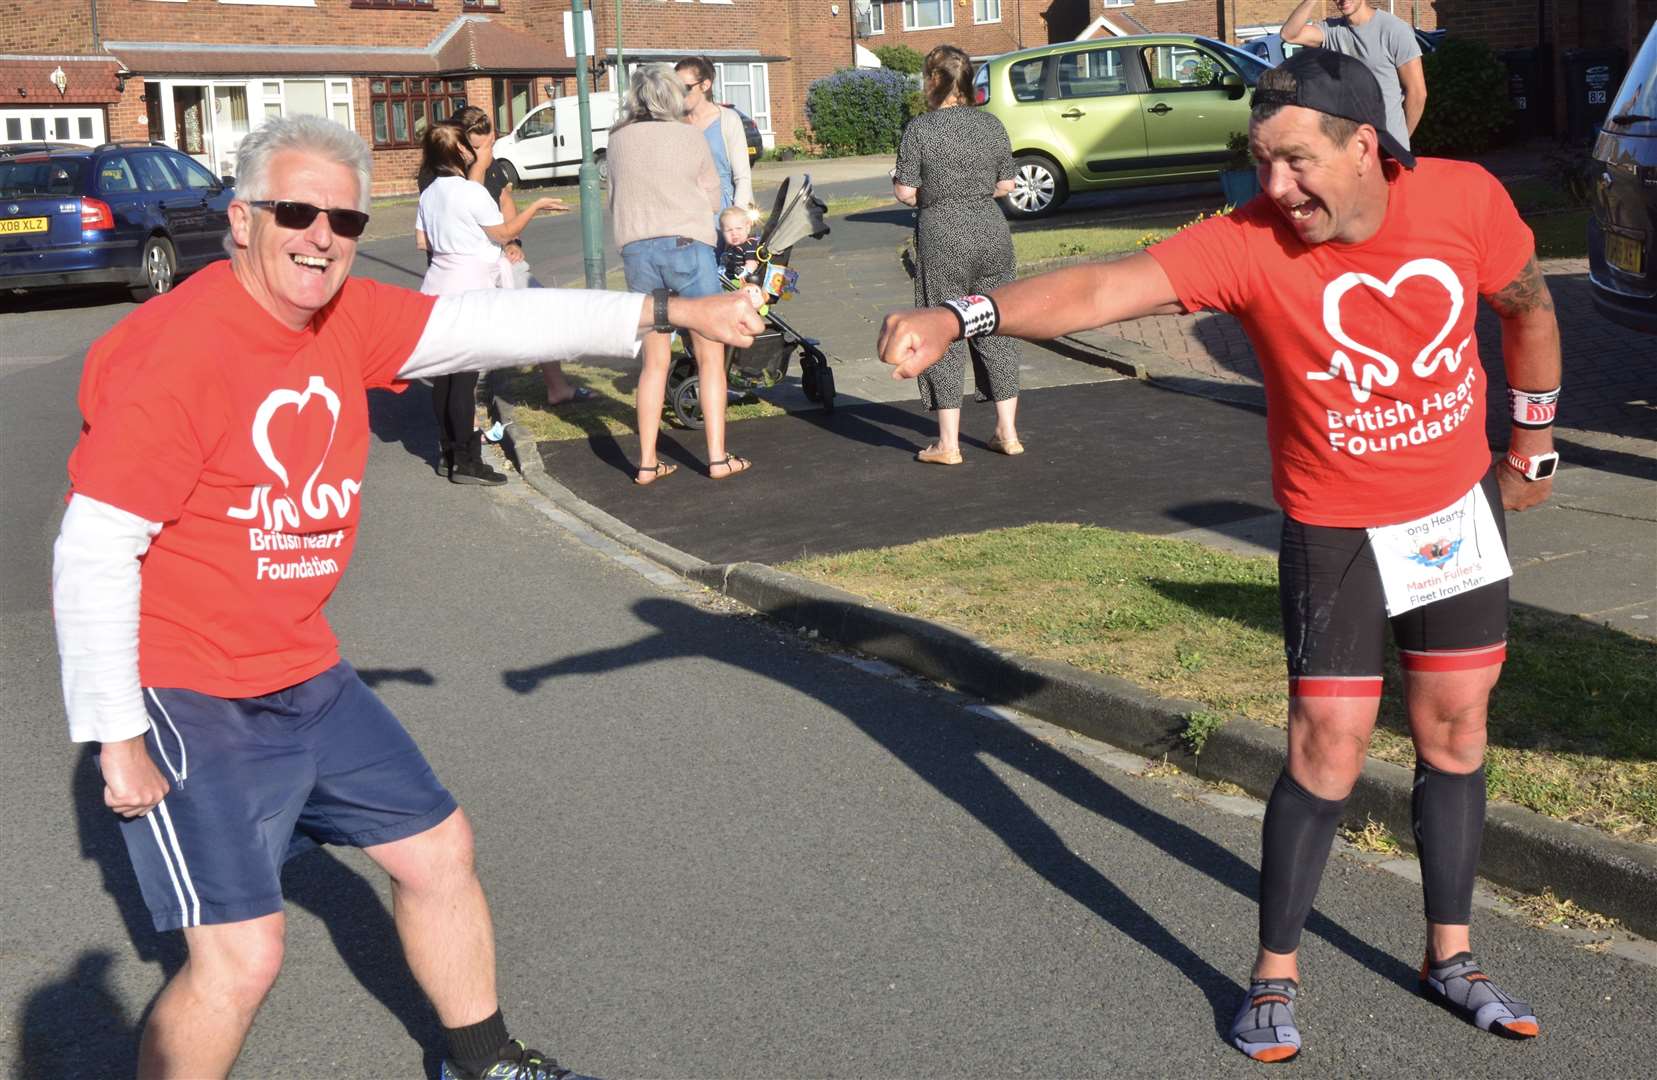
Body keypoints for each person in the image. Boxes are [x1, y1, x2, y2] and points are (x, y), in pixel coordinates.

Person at [878, 49, 1559, 1062]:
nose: (1272, 188)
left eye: (1292, 162)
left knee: (1454, 732)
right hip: (1334, 525)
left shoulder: (1463, 200)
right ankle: (1273, 971)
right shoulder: (1247, 244)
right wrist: (958, 314)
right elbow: (1104, 288)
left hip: (1453, 515)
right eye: (1259, 161)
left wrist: (1532, 446)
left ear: (1363, 145)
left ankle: (1450, 958)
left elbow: (1527, 306)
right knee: (1324, 748)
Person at [52, 114, 761, 1080]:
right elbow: (94, 549)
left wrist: (669, 314)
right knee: (243, 954)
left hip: (303, 668)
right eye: (295, 212)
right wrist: (115, 732)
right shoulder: (176, 352)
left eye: (344, 221)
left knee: (437, 851)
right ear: (240, 220)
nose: (321, 237)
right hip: (187, 690)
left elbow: (485, 325)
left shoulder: (343, 316)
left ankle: (483, 1062)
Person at [608, 65, 751, 484]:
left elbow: (615, 196)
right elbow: (710, 197)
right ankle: (717, 457)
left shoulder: (616, 140)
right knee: (709, 354)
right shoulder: (690, 135)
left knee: (654, 361)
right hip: (687, 246)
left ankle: (647, 463)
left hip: (637, 251)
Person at [416, 123, 568, 484]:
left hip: (437, 286)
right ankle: (468, 460)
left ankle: (449, 453)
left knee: (444, 377)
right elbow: (505, 233)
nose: (472, 151)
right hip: (470, 289)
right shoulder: (470, 192)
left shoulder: (429, 193)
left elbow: (424, 243)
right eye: (466, 147)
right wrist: (536, 207)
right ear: (458, 154)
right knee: (464, 380)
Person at [892, 44, 1022, 465]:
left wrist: (921, 188)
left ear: (934, 80)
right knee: (996, 325)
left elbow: (906, 191)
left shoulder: (921, 129)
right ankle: (1007, 432)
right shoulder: (991, 125)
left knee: (943, 329)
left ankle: (948, 445)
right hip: (991, 232)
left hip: (942, 235)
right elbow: (1008, 185)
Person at [450, 106, 592, 408]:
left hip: (501, 255)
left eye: (488, 144)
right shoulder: (446, 169)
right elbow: (467, 203)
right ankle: (469, 407)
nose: (483, 152)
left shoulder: (493, 165)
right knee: (472, 332)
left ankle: (557, 388)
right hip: (468, 264)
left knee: (541, 310)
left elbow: (504, 199)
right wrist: (478, 164)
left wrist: (513, 241)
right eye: (476, 147)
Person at [1282, 0, 1426, 150]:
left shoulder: (1394, 30)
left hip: (1388, 146)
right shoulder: (1331, 30)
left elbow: (1417, 93)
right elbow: (1289, 35)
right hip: (1351, 148)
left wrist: (1401, 139)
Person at [674, 56, 754, 215]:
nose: (679, 94)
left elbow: (742, 177)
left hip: (721, 214)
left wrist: (738, 215)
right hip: (684, 216)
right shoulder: (673, 123)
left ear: (705, 85)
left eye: (685, 87)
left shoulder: (728, 119)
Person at [717, 205, 762, 284]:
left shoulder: (749, 244)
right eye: (729, 230)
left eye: (739, 228)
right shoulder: (730, 246)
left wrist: (744, 272)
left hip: (741, 282)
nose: (734, 233)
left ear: (747, 228)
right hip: (728, 280)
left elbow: (752, 264)